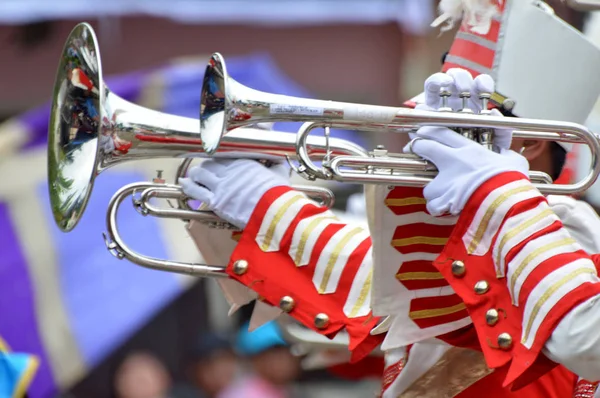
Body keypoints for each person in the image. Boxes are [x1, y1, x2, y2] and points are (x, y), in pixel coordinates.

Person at [179, 1, 600, 396]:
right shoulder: (485, 229)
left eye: (468, 127)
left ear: (526, 145)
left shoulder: (570, 232)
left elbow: (388, 287)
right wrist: (264, 198)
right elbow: (376, 315)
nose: (426, 132)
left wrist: (264, 204)